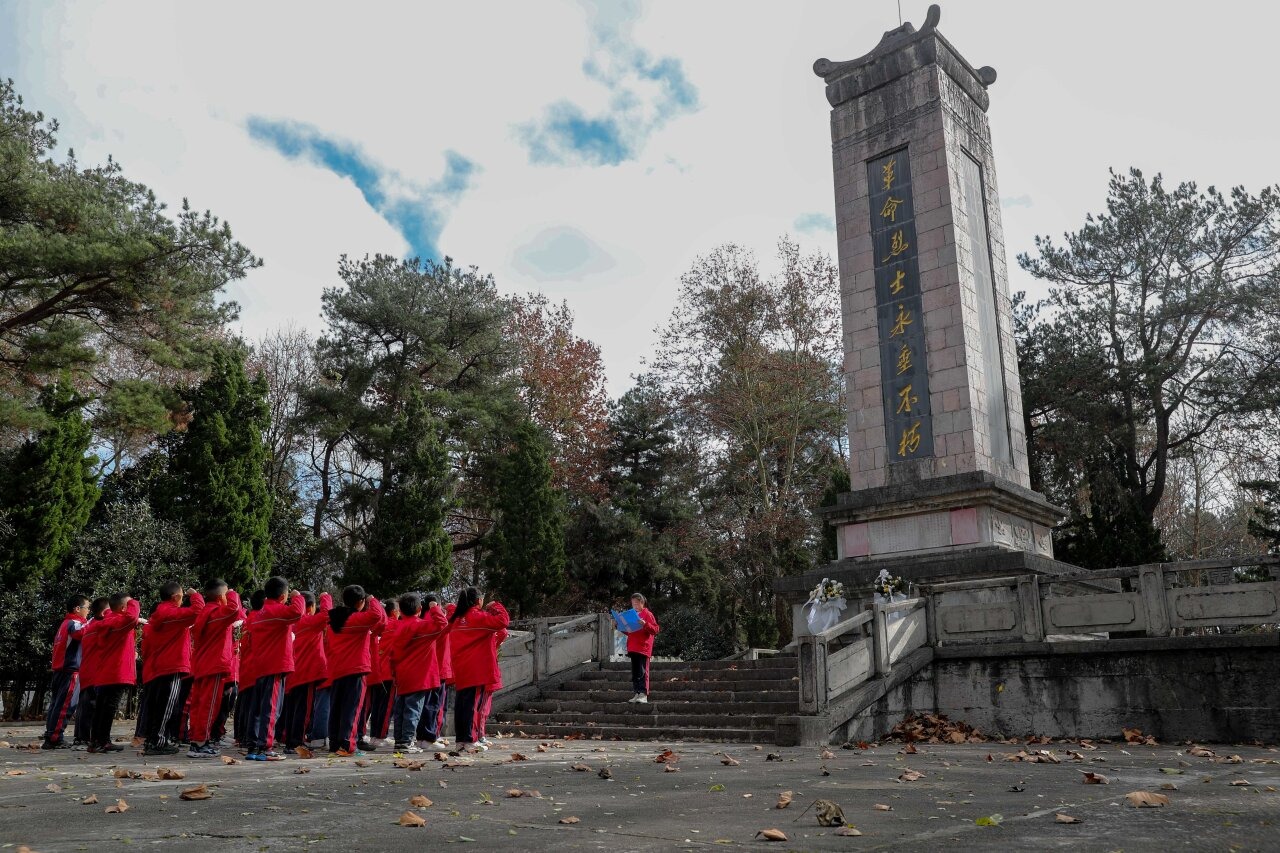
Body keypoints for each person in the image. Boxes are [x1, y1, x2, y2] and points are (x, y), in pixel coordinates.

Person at [244, 576, 305, 761]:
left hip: (261, 666)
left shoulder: (260, 613)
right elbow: (298, 613)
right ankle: (266, 747)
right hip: (275, 665)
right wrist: (298, 596)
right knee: (271, 709)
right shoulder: (275, 610)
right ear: (283, 595)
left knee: (258, 709)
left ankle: (254, 747)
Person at [140, 582, 205, 755]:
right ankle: (159, 742)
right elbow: (199, 611)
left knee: (158, 706)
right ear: (175, 597)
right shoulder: (170, 613)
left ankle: (154, 740)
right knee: (167, 706)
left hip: (156, 667)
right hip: (170, 665)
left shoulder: (158, 615)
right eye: (182, 596)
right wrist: (195, 595)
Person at [325, 585, 387, 756]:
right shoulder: (356, 619)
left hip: (337, 669)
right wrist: (372, 599)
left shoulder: (333, 621)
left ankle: (335, 742)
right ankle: (347, 744)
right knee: (352, 709)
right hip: (355, 669)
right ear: (360, 602)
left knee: (337, 708)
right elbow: (378, 615)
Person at [186, 579, 244, 758]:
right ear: (221, 596)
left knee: (199, 705)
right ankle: (200, 742)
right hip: (213, 665)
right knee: (209, 706)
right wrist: (233, 594)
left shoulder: (206, 611)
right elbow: (235, 610)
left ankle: (197, 740)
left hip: (203, 664)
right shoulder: (216, 612)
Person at [447, 587, 509, 754]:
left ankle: (461, 740)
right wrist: (495, 606)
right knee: (474, 707)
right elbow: (503, 622)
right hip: (478, 670)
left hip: (461, 668)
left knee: (462, 705)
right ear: (478, 601)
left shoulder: (456, 619)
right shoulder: (479, 618)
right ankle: (470, 740)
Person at [388, 593, 448, 753]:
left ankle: (400, 741)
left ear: (400, 610)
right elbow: (443, 624)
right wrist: (434, 607)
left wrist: (394, 673)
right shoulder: (421, 626)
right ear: (420, 609)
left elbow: (392, 654)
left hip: (402, 673)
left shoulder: (399, 626)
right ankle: (407, 742)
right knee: (413, 710)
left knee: (401, 710)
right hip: (420, 675)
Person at [87, 592, 141, 754]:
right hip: (117, 671)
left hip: (107, 671)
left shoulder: (108, 620)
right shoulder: (117, 621)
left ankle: (96, 741)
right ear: (124, 607)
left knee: (102, 707)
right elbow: (131, 618)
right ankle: (102, 741)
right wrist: (134, 602)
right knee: (108, 708)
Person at [281, 591, 332, 753]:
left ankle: (289, 741)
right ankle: (296, 743)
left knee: (291, 710)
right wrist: (325, 597)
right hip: (307, 673)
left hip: (292, 674)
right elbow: (326, 614)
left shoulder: (290, 623)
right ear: (310, 607)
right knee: (304, 712)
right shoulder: (309, 621)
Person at [43, 595, 90, 749]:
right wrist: (95, 622)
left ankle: (51, 734)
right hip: (70, 670)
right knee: (65, 705)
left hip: (60, 669)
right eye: (87, 608)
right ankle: (55, 738)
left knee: (56, 704)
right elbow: (81, 633)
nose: (88, 611)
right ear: (77, 609)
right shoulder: (75, 623)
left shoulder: (64, 623)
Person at [71, 597, 111, 748]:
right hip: (96, 672)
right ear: (103, 612)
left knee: (84, 705)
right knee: (91, 707)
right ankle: (85, 738)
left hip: (87, 671)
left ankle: (80, 737)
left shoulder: (89, 625)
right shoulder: (100, 626)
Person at [362, 598, 398, 747]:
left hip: (375, 671)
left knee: (374, 706)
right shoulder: (396, 625)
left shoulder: (375, 625)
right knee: (386, 707)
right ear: (395, 612)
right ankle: (380, 736)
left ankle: (370, 734)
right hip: (388, 671)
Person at [621, 592, 660, 704]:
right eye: (633, 604)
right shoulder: (631, 614)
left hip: (643, 648)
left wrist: (645, 624)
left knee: (643, 671)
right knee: (635, 672)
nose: (635, 606)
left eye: (637, 604)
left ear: (642, 603)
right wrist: (620, 626)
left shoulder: (647, 614)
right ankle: (637, 693)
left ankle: (643, 694)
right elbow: (629, 632)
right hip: (632, 647)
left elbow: (656, 629)